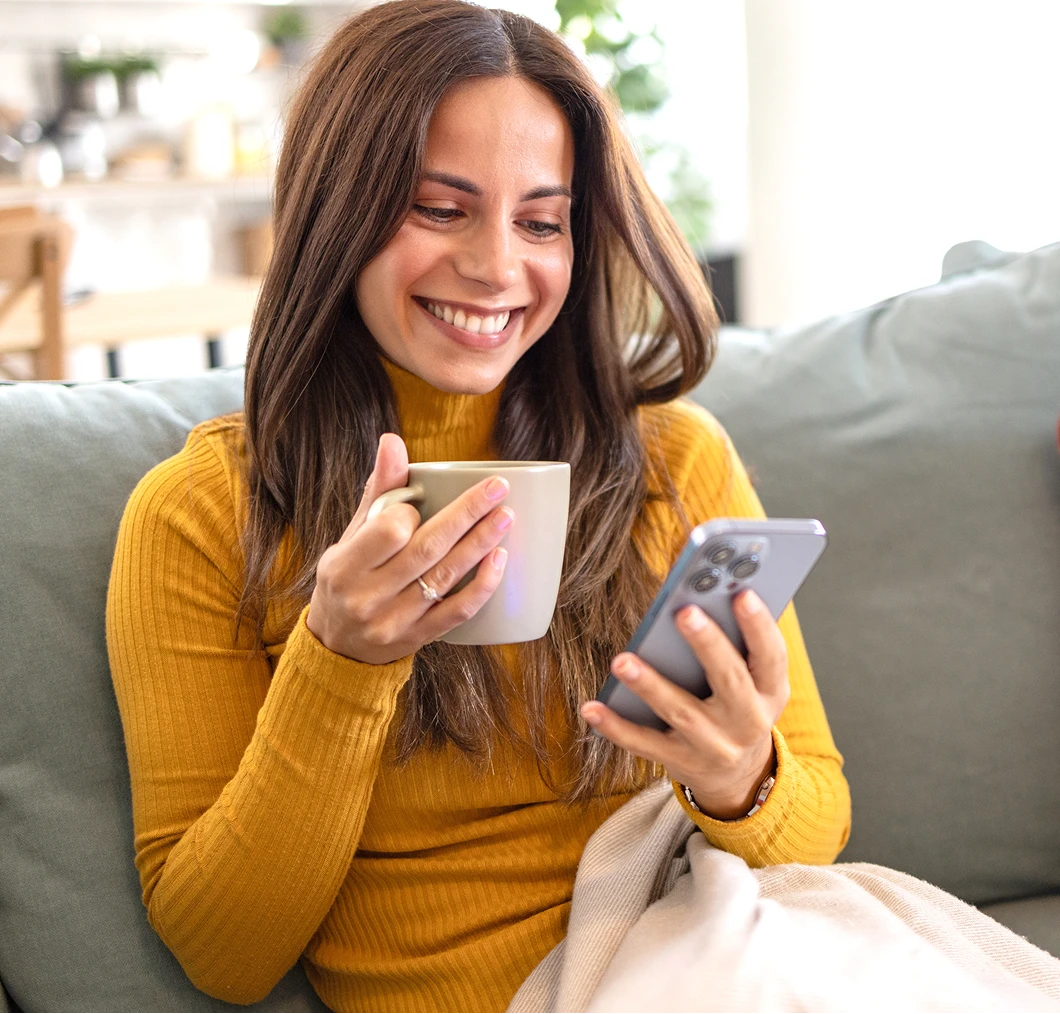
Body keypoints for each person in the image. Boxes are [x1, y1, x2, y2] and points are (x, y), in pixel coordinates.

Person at [105, 2, 850, 1011]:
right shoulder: (203, 515)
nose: (499, 266)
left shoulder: (672, 463)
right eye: (440, 209)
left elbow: (817, 828)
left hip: (713, 960)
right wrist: (340, 663)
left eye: (541, 222)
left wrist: (740, 780)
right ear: (338, 212)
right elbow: (223, 956)